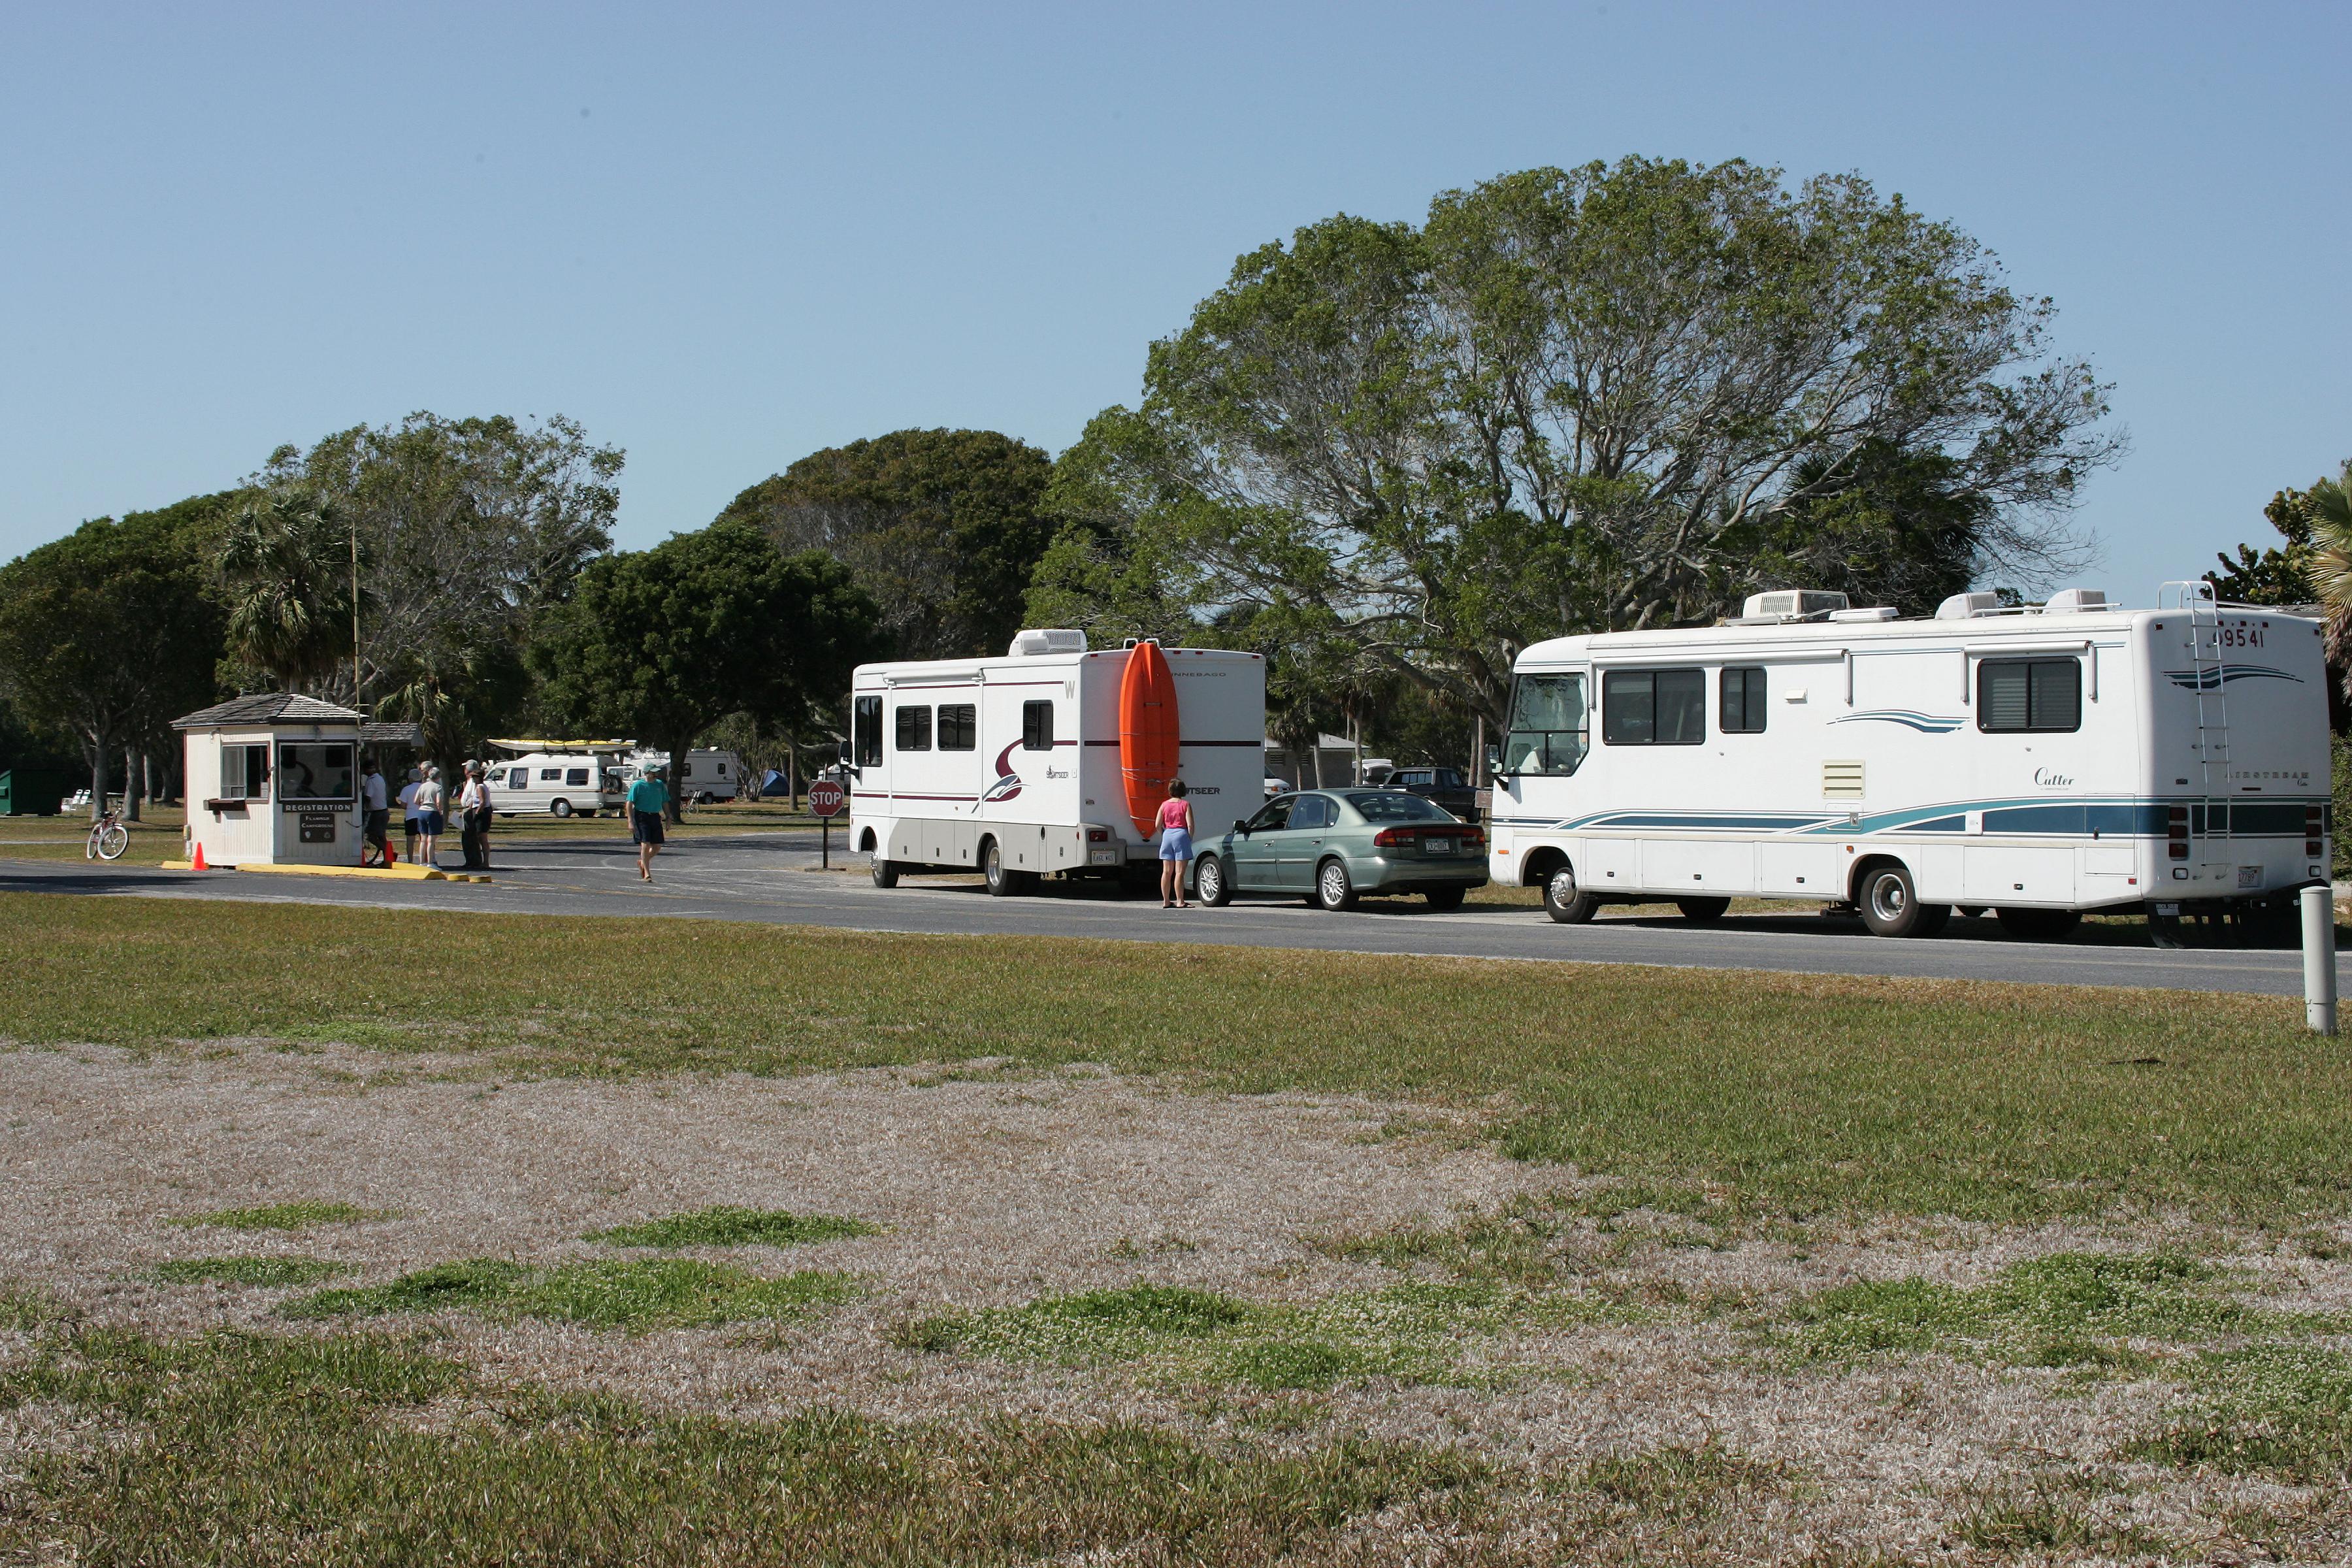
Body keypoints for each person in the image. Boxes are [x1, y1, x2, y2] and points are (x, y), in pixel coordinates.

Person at [1155, 779, 1194, 908]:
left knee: (1166, 871)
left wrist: (1165, 834)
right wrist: (1189, 838)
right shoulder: (1185, 804)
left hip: (1167, 835)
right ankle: (1180, 901)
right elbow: (1190, 825)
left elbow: (1157, 825)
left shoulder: (1164, 805)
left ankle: (1166, 901)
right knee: (1179, 872)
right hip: (1181, 835)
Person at [627, 762, 668, 881]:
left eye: (657, 773)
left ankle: (642, 862)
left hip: (655, 816)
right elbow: (629, 803)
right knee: (645, 844)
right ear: (647, 773)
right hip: (641, 816)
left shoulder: (660, 785)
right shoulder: (638, 785)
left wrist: (669, 816)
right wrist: (630, 821)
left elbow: (665, 801)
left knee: (657, 846)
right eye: (654, 773)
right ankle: (647, 874)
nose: (656, 775)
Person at [413, 764, 446, 867]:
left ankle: (422, 862)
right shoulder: (438, 787)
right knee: (431, 839)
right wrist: (440, 811)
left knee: (423, 839)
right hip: (432, 812)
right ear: (438, 777)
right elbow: (439, 802)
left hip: (422, 811)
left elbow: (416, 801)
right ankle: (431, 862)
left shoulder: (422, 786)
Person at [458, 761, 489, 870]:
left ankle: (474, 860)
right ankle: (472, 860)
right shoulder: (469, 782)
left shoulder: (473, 783)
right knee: (469, 836)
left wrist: (471, 811)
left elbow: (474, 798)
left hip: (471, 809)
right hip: (469, 808)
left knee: (470, 836)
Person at [361, 760, 389, 866]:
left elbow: (368, 797)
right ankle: (387, 859)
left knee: (371, 837)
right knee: (382, 836)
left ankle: (388, 852)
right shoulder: (380, 778)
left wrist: (363, 808)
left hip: (377, 813)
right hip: (384, 811)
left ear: (368, 769)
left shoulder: (371, 781)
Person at [397, 767, 424, 862]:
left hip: (410, 816)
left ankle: (410, 861)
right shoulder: (424, 787)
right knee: (424, 840)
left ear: (410, 778)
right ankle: (424, 860)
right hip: (423, 815)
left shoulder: (406, 789)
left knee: (410, 841)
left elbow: (403, 805)